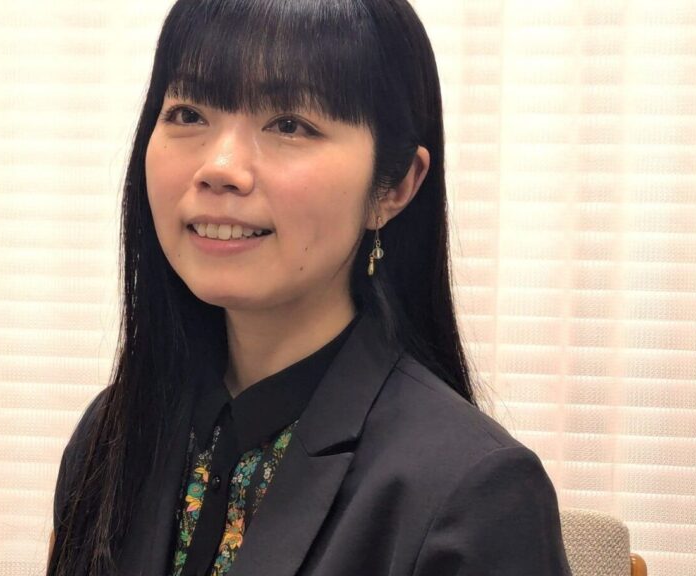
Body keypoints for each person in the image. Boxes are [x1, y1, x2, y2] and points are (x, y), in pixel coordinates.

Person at [48, 0, 573, 575]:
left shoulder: (471, 491)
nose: (219, 167)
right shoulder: (113, 434)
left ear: (395, 187)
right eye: (188, 114)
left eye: (289, 125)